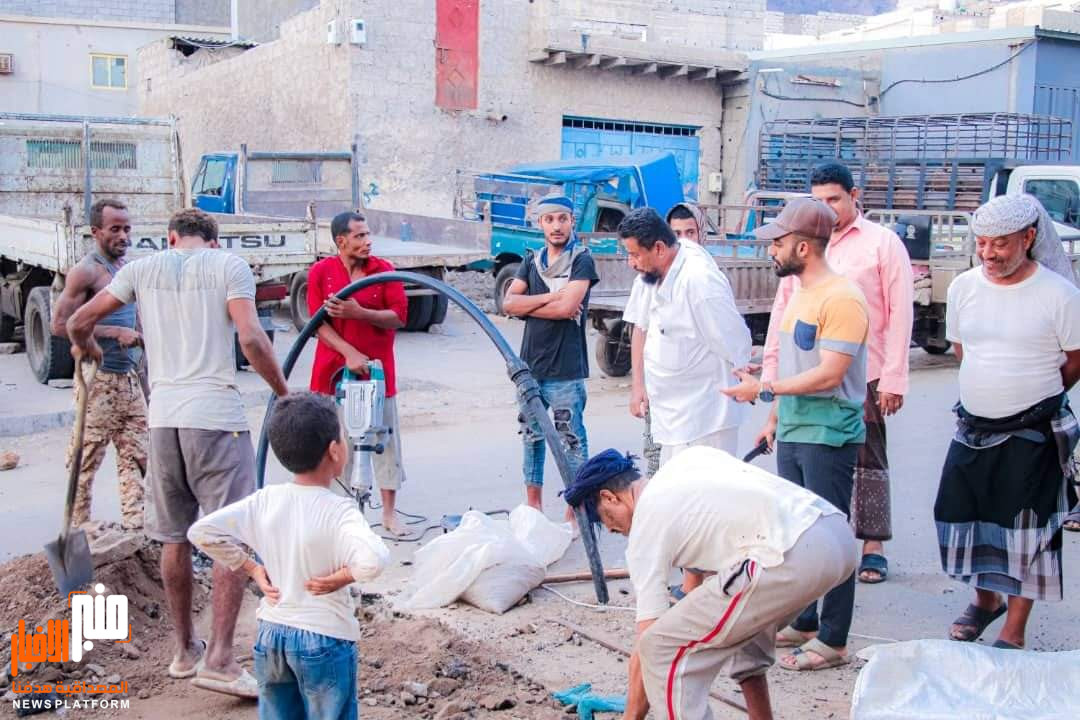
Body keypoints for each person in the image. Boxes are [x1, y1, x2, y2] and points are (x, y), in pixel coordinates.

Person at [68, 208, 289, 699]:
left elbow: (79, 320)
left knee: (174, 537)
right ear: (213, 241)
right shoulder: (228, 266)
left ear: (171, 238)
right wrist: (284, 392)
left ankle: (185, 650)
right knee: (233, 532)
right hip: (215, 419)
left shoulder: (142, 268)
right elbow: (251, 338)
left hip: (162, 418)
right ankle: (221, 661)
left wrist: (89, 348)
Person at [563, 447, 856, 720]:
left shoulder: (646, 525)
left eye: (605, 519)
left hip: (790, 553)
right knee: (736, 617)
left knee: (660, 650)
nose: (613, 529)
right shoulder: (685, 463)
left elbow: (646, 642)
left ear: (610, 497)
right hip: (834, 533)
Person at [723, 197, 869, 671]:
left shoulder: (842, 298)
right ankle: (806, 620)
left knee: (832, 537)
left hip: (829, 434)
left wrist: (764, 390)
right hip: (795, 429)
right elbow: (792, 363)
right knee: (798, 535)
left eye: (778, 243)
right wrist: (773, 419)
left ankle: (833, 639)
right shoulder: (800, 294)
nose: (772, 251)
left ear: (804, 247)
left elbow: (829, 374)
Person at [934, 193, 1080, 649]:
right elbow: (962, 350)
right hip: (973, 426)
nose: (989, 254)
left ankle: (1014, 632)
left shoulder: (1059, 295)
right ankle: (986, 600)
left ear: (1028, 237)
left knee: (1026, 528)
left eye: (1000, 244)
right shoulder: (964, 288)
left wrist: (1030, 393)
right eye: (982, 244)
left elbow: (1074, 362)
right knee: (965, 515)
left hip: (1033, 431)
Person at [188, 392, 390, 720]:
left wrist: (251, 567)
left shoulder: (265, 500)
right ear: (335, 451)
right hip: (325, 638)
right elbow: (374, 560)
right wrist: (340, 578)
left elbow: (200, 532)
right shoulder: (340, 511)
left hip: (272, 634)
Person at [762, 162, 913, 584]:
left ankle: (872, 545)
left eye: (834, 199)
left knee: (868, 457)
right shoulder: (802, 245)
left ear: (854, 195)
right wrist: (772, 371)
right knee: (814, 466)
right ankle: (823, 550)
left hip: (867, 369)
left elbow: (901, 312)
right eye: (819, 201)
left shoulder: (881, 244)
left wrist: (894, 378)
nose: (827, 208)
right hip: (806, 374)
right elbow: (782, 312)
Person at [618, 206, 751, 463]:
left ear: (658, 248)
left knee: (705, 498)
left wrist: (748, 379)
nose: (630, 262)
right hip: (672, 415)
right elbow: (642, 327)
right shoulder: (652, 273)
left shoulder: (699, 282)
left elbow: (734, 343)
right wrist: (638, 386)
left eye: (634, 255)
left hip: (706, 419)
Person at [307, 211, 408, 535]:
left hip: (377, 374)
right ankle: (343, 516)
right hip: (333, 375)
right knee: (337, 443)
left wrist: (358, 312)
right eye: (360, 236)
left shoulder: (383, 271)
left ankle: (389, 514)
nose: (367, 242)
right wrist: (348, 352)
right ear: (341, 241)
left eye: (368, 235)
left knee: (384, 441)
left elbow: (399, 316)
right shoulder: (322, 272)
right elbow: (316, 323)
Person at [50, 198, 148, 530]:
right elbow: (61, 324)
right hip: (98, 380)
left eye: (127, 228)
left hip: (129, 379)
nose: (123, 236)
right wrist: (113, 331)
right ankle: (77, 535)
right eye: (115, 229)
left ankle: (138, 532)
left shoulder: (125, 268)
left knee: (137, 456)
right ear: (96, 232)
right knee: (85, 460)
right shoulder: (85, 271)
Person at [503, 193, 599, 511]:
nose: (556, 226)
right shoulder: (532, 260)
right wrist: (549, 299)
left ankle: (576, 513)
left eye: (562, 218)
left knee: (571, 440)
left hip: (566, 370)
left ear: (572, 221)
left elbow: (567, 308)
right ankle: (534, 510)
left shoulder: (581, 259)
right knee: (531, 437)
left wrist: (528, 305)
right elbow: (508, 303)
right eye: (549, 219)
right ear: (540, 223)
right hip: (530, 366)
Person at [622, 202, 715, 477]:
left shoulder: (706, 277)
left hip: (699, 398)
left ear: (702, 235)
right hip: (661, 392)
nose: (684, 239)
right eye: (678, 233)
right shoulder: (648, 277)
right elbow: (640, 330)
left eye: (691, 232)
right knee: (658, 463)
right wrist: (638, 386)